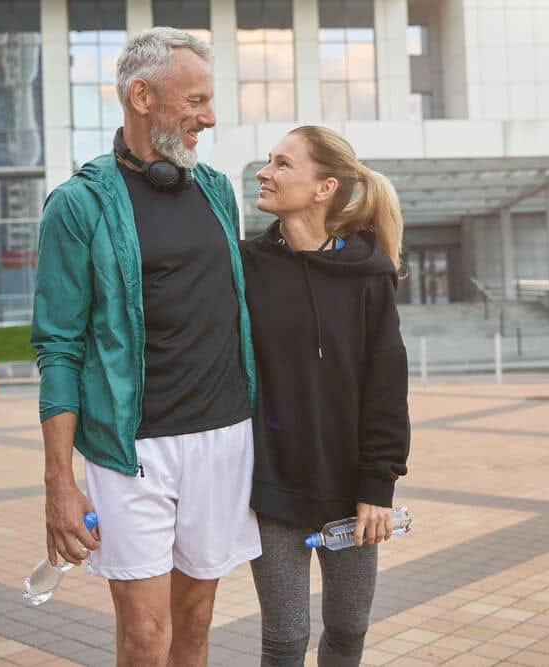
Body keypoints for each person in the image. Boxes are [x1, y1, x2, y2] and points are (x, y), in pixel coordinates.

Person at [30, 27, 260, 666]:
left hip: (223, 436)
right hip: (132, 450)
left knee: (196, 621)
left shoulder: (216, 189)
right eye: (195, 102)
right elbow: (59, 347)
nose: (209, 118)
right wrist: (59, 481)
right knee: (144, 638)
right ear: (141, 96)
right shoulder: (77, 206)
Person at [241, 125, 411, 666]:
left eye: (283, 163)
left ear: (323, 187)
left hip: (350, 492)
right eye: (269, 161)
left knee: (347, 632)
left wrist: (377, 486)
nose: (265, 173)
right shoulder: (244, 266)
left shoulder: (368, 275)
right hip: (272, 488)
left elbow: (386, 383)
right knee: (286, 641)